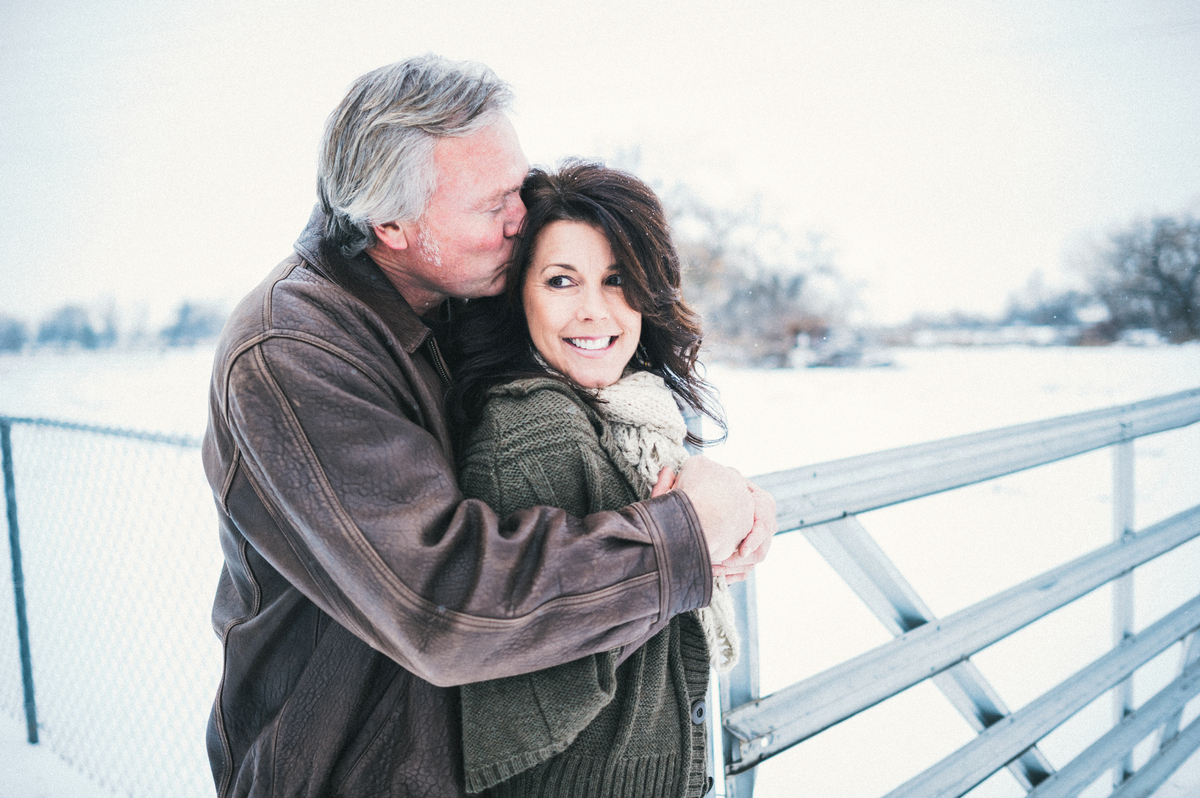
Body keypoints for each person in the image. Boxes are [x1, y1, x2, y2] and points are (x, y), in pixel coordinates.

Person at [202, 54, 775, 798]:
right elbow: (444, 601)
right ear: (392, 224)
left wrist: (703, 482)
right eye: (494, 203)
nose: (523, 217)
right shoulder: (291, 354)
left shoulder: (460, 286)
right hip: (347, 771)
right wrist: (680, 536)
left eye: (520, 184)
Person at [449, 161, 746, 798]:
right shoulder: (537, 428)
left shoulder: (623, 413)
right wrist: (694, 533)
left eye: (617, 281)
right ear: (516, 292)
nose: (594, 311)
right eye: (562, 281)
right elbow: (538, 655)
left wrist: (735, 503)